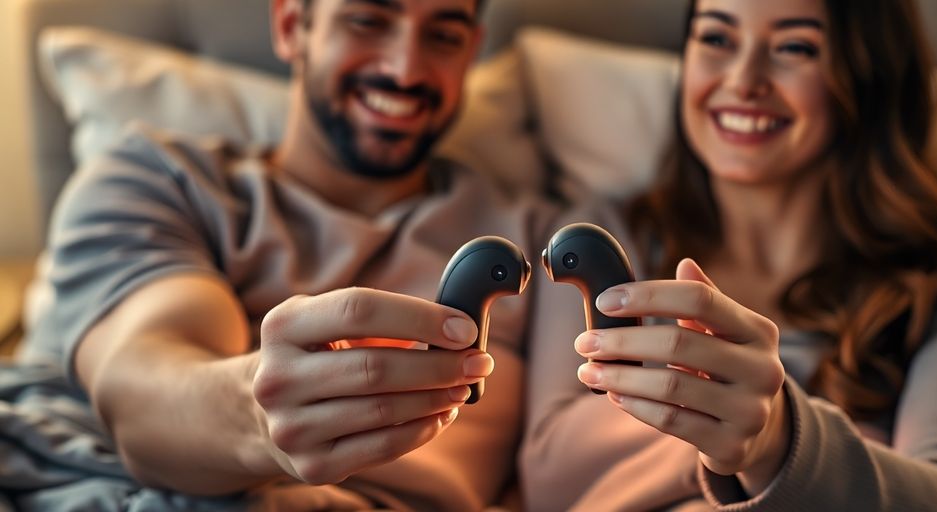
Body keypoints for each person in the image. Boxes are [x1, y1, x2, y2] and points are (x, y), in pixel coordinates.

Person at [17, 0, 553, 509]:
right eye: (368, 20)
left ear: (472, 49)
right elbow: (142, 379)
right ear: (293, 25)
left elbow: (580, 447)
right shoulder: (157, 179)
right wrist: (256, 415)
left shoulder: (542, 236)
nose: (405, 69)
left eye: (443, 36)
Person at [520, 0, 937, 510]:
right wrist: (761, 443)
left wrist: (780, 439)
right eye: (717, 39)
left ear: (870, 70)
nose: (744, 80)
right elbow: (551, 474)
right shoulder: (604, 236)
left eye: (794, 47)